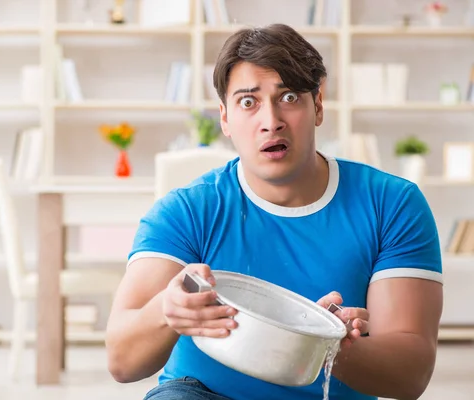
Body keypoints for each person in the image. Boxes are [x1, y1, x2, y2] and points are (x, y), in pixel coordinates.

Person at [105, 23, 443, 400]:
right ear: (225, 118)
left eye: (289, 97)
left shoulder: (393, 205)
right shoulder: (186, 210)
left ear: (317, 105)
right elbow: (121, 361)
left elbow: (411, 376)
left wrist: (327, 346)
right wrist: (166, 311)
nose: (271, 121)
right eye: (248, 102)